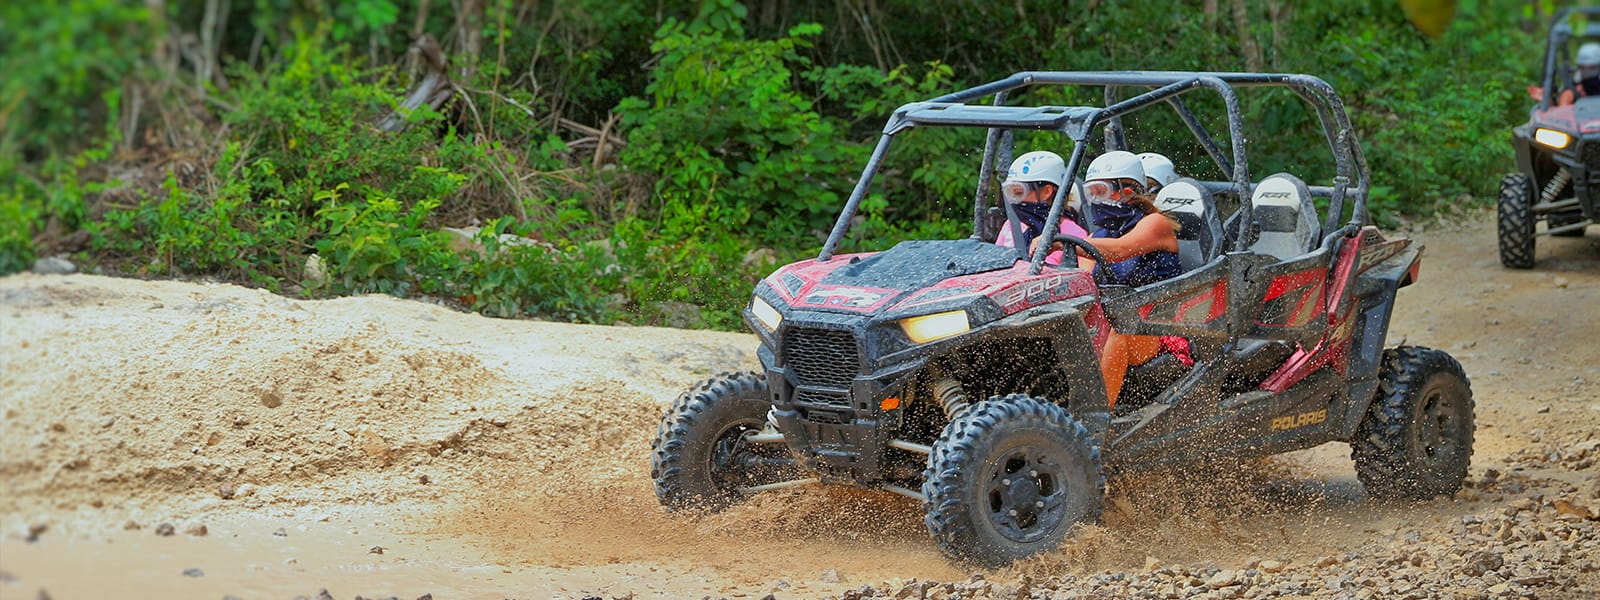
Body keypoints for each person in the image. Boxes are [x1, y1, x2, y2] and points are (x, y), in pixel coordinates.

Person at [1076, 151, 1184, 407]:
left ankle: (1095, 422)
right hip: (1112, 322)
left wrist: (1059, 244)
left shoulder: (1156, 223)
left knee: (1121, 331)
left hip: (1159, 326)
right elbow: (1081, 277)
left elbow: (1119, 250)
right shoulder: (1098, 233)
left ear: (1127, 191)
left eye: (1100, 191)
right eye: (1090, 192)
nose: (1094, 199)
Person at [993, 150, 1089, 266]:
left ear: (1046, 192)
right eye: (1010, 193)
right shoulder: (1011, 226)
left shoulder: (1073, 234)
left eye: (1019, 192)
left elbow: (1083, 278)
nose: (1015, 200)